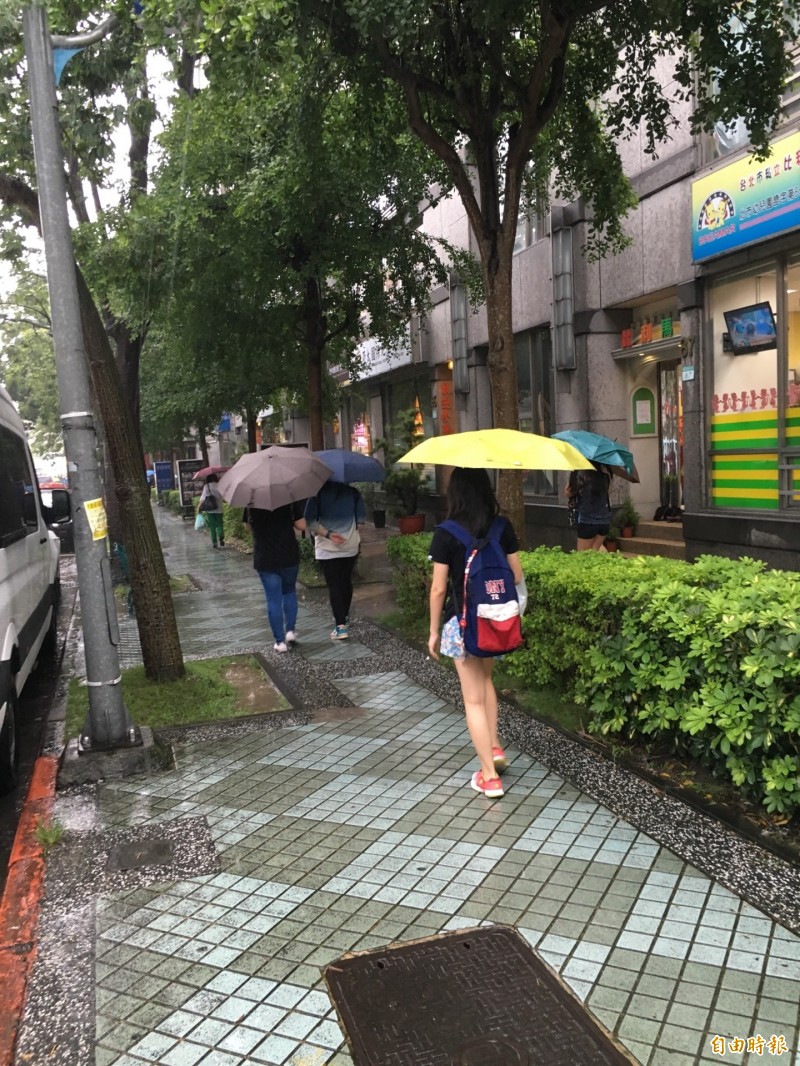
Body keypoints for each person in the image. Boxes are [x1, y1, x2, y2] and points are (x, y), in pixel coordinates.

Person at [428, 467, 523, 800]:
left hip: (462, 624)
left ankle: (488, 776)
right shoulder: (502, 526)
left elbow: (439, 589)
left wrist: (432, 632)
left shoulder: (446, 533)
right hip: (494, 620)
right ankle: (495, 749)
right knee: (486, 684)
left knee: (472, 699)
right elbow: (516, 574)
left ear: (455, 493)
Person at [304, 482, 366, 640]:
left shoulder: (317, 494)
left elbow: (309, 521)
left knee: (335, 586)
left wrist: (329, 534)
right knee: (345, 581)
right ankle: (345, 615)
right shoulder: (353, 493)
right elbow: (360, 520)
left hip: (327, 548)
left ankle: (340, 626)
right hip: (350, 545)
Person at [243, 502, 307, 653]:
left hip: (265, 558)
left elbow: (247, 527)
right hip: (288, 554)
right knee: (289, 592)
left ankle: (279, 642)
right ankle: (290, 632)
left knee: (273, 599)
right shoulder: (288, 499)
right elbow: (301, 525)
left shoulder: (251, 502)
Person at [565, 462, 612, 551]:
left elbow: (568, 492)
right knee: (596, 549)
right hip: (604, 520)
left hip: (587, 521)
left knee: (584, 557)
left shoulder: (582, 475)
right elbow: (607, 494)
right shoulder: (606, 476)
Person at [198, 473, 225, 549]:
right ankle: (221, 536)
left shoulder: (206, 486)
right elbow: (223, 496)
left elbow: (203, 498)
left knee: (212, 526)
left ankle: (214, 543)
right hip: (219, 508)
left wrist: (199, 507)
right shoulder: (220, 485)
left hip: (210, 509)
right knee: (220, 524)